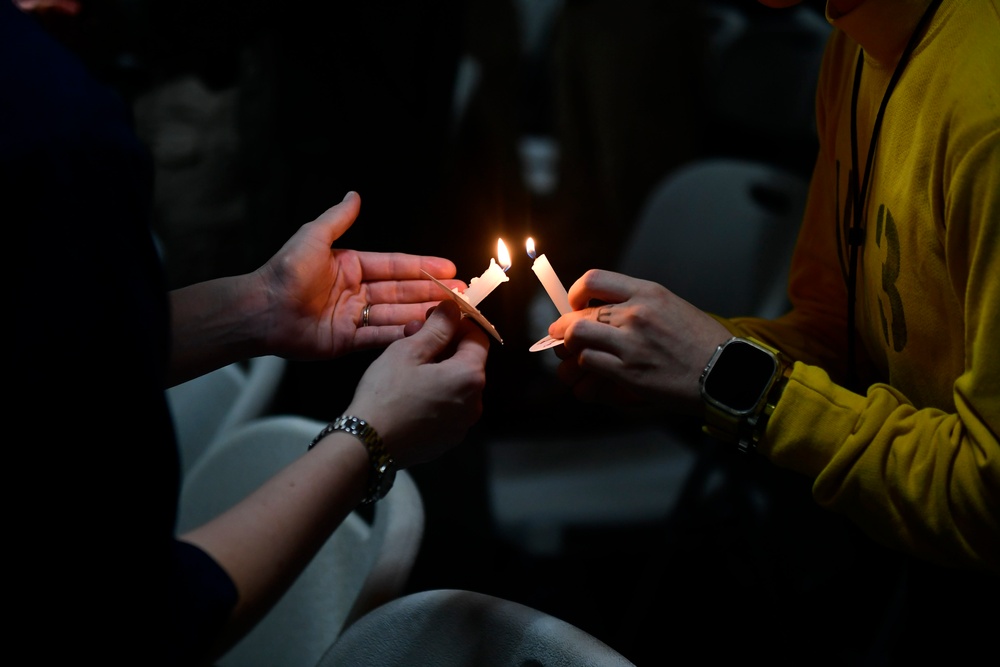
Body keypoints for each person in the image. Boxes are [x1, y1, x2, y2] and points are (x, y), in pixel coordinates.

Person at [5, 2, 490, 664]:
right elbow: (132, 617)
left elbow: (48, 358)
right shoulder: (55, 130)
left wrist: (260, 307)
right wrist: (370, 435)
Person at [547, 0, 997, 659]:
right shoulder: (854, 41)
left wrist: (731, 377)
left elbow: (987, 503)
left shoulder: (983, 107)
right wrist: (676, 358)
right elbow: (835, 335)